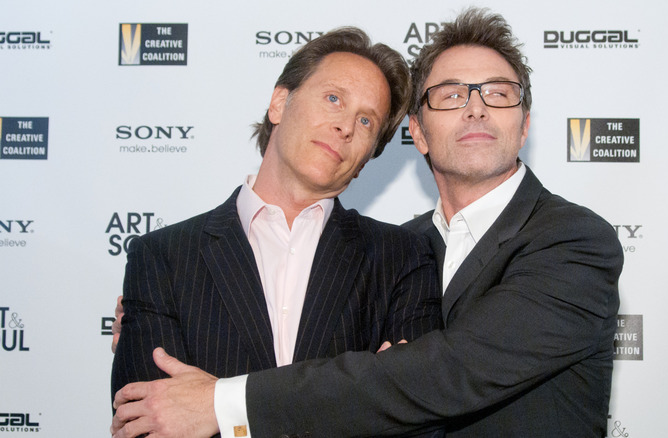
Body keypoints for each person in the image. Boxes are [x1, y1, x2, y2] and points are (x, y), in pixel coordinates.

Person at [112, 8, 623, 438]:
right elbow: (149, 414)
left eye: (498, 93)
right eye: (450, 94)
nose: (475, 108)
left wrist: (222, 403)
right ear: (418, 134)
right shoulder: (410, 244)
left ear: (525, 124)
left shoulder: (573, 240)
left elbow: (447, 373)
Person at [110, 26, 443, 436]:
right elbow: (145, 423)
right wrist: (357, 392)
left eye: (366, 120)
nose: (346, 126)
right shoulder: (162, 256)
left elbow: (413, 422)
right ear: (280, 103)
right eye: (333, 98)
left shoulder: (402, 258)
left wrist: (220, 406)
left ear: (366, 158)